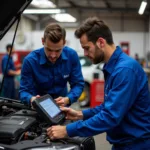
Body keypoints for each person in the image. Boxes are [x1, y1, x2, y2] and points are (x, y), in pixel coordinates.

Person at [46, 17, 150, 150]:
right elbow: (108, 107)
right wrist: (80, 114)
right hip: (124, 144)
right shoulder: (113, 67)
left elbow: (110, 116)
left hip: (135, 146)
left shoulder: (124, 70)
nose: (85, 53)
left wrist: (67, 130)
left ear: (101, 42)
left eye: (87, 48)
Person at [19, 23, 84, 106]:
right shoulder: (30, 61)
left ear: (64, 43)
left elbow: (78, 84)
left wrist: (68, 99)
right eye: (49, 50)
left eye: (57, 51)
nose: (53, 55)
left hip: (62, 107)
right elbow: (24, 91)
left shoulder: (71, 56)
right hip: (38, 109)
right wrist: (31, 99)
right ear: (43, 41)